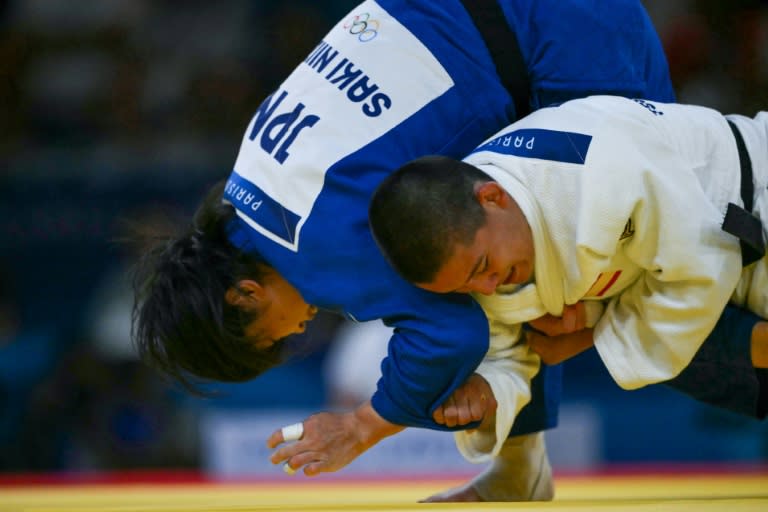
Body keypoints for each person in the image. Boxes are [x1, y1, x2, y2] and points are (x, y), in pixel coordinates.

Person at [132, 0, 682, 502]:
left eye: (274, 335)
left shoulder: (310, 248)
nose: (297, 332)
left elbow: (450, 335)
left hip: (558, 38)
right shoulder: (251, 177)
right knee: (496, 261)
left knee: (669, 250)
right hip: (522, 26)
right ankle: (519, 469)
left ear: (245, 294)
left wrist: (365, 425)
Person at [369, 94, 768, 423]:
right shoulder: (477, 246)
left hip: (747, 199)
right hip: (697, 275)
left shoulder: (596, 171)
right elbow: (510, 348)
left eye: (482, 269)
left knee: (686, 343)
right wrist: (488, 386)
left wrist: (592, 331)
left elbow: (702, 262)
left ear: (493, 197)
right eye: (465, 286)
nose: (488, 287)